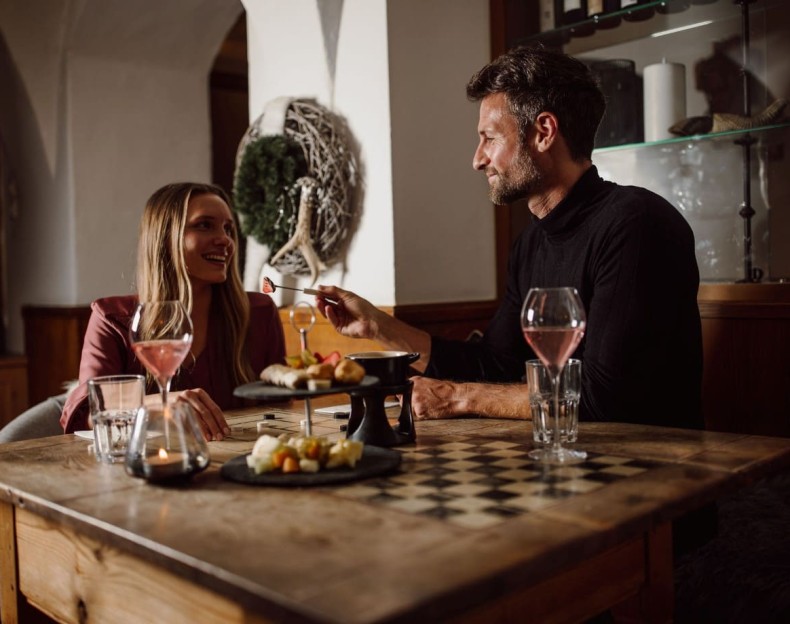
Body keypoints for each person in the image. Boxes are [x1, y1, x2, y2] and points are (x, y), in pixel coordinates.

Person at [315, 45, 703, 430]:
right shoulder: (531, 244)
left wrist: (456, 397)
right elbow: (494, 364)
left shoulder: (636, 224)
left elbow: (606, 396)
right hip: (562, 463)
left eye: (490, 138)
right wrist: (378, 326)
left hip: (652, 470)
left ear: (544, 133)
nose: (477, 159)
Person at [61, 182, 286, 440]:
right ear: (165, 237)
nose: (225, 240)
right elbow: (88, 411)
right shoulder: (112, 317)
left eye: (228, 229)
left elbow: (283, 404)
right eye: (204, 225)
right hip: (151, 467)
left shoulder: (259, 312)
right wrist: (159, 403)